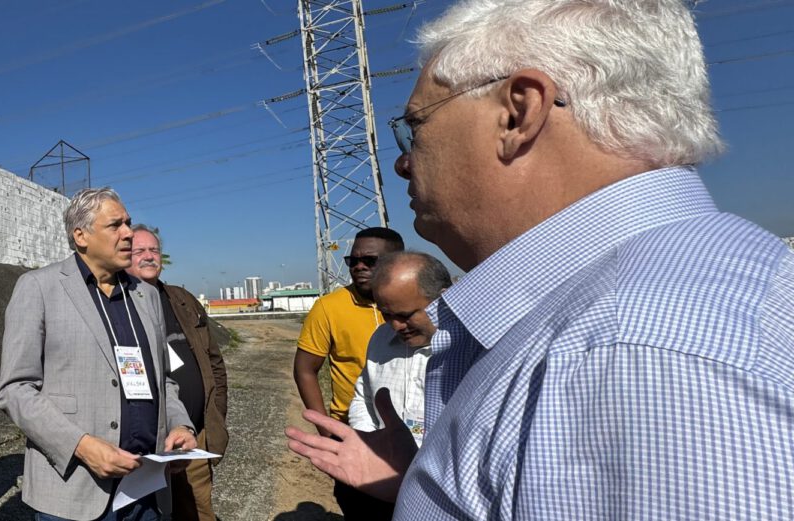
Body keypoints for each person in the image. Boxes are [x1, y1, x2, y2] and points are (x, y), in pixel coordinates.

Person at [285, 1, 794, 519]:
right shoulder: (656, 298)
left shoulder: (635, 355)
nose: (401, 161)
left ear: (518, 113)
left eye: (416, 127)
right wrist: (421, 485)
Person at [0, 187, 197, 521]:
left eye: (129, 223)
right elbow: (15, 390)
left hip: (144, 489)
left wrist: (180, 425)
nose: (128, 233)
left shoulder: (146, 296)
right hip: (72, 493)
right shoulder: (39, 288)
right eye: (115, 225)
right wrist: (82, 445)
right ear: (81, 236)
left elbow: (162, 380)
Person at [292, 227, 403, 518]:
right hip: (356, 436)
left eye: (370, 260)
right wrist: (327, 433)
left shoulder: (417, 303)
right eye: (352, 260)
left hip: (417, 436)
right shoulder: (329, 308)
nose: (359, 267)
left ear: (397, 261)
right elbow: (305, 369)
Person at [125, 225, 229, 521]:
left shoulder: (181, 299)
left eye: (154, 250)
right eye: (139, 251)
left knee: (197, 509)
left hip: (193, 437)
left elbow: (215, 362)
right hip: (146, 442)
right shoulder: (119, 305)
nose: (148, 257)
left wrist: (214, 412)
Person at [346, 251, 450, 448]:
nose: (396, 326)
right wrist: (372, 446)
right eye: (386, 315)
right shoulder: (380, 338)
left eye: (405, 315)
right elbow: (364, 399)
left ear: (443, 300)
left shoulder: (474, 350)